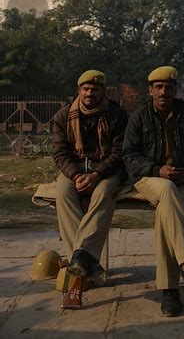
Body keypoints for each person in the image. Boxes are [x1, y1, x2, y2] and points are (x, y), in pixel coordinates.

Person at [122, 66, 184, 316]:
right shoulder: (139, 117)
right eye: (159, 87)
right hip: (149, 179)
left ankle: (170, 290)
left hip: (183, 181)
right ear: (150, 90)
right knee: (165, 189)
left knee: (166, 209)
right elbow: (129, 155)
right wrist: (156, 169)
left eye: (169, 87)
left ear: (175, 90)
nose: (164, 92)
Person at [53, 70, 128, 278]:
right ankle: (87, 263)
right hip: (75, 170)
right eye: (85, 89)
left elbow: (120, 153)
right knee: (63, 191)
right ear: (79, 91)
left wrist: (96, 175)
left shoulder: (117, 115)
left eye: (95, 89)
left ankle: (80, 258)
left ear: (103, 91)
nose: (89, 93)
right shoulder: (64, 116)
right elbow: (60, 153)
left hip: (107, 170)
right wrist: (76, 175)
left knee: (103, 192)